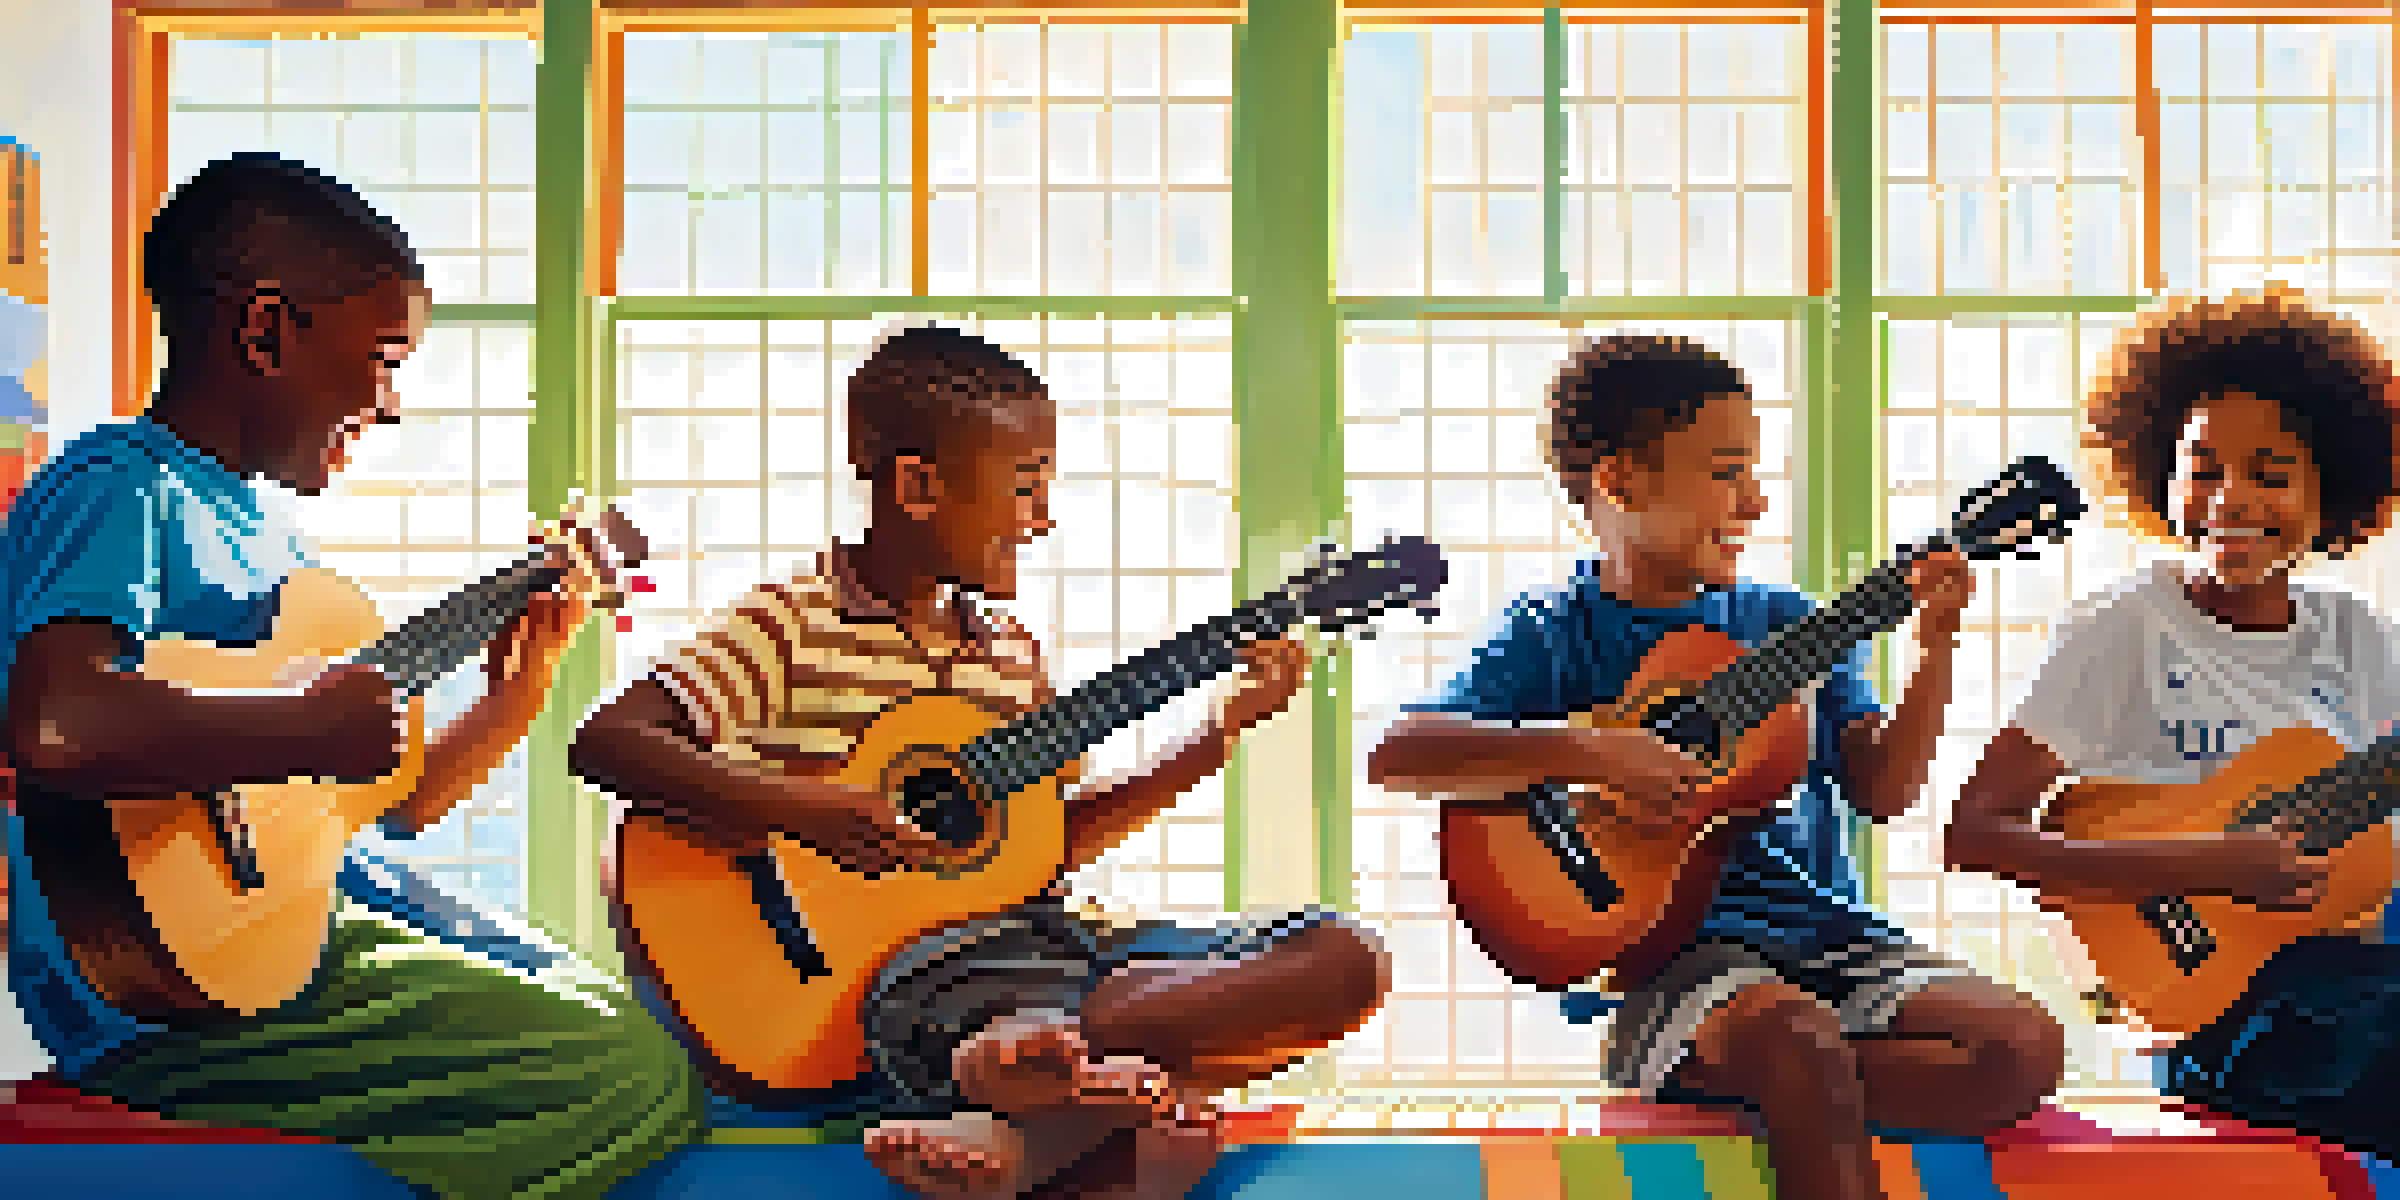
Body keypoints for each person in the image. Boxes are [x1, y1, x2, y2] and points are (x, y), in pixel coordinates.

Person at [0, 153, 703, 1199]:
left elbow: (395, 804)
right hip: (167, 989)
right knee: (622, 1071)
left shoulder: (279, 545)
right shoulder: (119, 485)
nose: (392, 402)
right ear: (267, 332)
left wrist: (521, 684)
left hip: (303, 928)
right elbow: (53, 719)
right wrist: (297, 733)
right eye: (383, 358)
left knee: (620, 1010)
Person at [570, 324, 1391, 1199]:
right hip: (887, 978)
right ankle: (1055, 1072)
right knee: (1035, 1021)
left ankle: (1053, 1074)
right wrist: (810, 813)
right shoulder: (791, 621)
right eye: (1025, 487)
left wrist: (1221, 731)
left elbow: (1043, 846)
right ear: (918, 486)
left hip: (1043, 950)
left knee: (1345, 958)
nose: (1041, 518)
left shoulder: (1009, 654)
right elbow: (611, 741)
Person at [1366, 335, 2066, 1200]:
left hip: (1828, 938)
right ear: (1620, 481)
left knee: (2023, 1049)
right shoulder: (1553, 630)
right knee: (1797, 1038)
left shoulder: (1784, 623)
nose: (1756, 500)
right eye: (1727, 472)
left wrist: (1935, 648)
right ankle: (1736, 1061)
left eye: (1755, 473)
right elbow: (1398, 756)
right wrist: (1589, 749)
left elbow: (1884, 791)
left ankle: (1761, 1082)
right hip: (1680, 957)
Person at [1951, 286, 2400, 1160]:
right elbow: (1976, 835)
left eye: (2270, 474)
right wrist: (2210, 862)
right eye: (2203, 468)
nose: (2231, 498)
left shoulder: (2360, 638)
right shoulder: (2123, 628)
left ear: (2329, 490)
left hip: (2359, 976)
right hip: (2216, 1006)